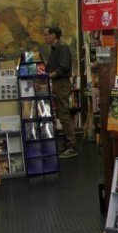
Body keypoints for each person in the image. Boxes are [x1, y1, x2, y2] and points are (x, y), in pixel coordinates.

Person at [44, 26, 78, 158]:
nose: (45, 37)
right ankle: (67, 145)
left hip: (61, 84)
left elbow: (64, 67)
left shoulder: (62, 48)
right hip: (58, 84)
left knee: (63, 115)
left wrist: (49, 76)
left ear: (53, 35)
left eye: (46, 34)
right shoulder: (54, 50)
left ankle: (72, 146)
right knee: (61, 114)